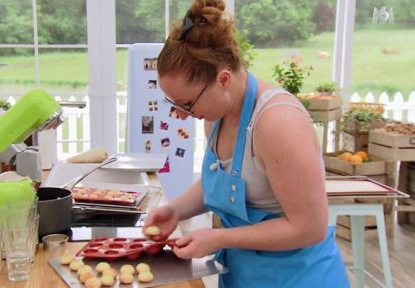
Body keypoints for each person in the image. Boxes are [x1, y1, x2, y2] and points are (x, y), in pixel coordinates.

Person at [144, 1, 349, 287]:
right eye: (173, 103)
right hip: (247, 276)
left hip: (299, 278)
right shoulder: (216, 115)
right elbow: (223, 186)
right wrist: (175, 210)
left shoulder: (278, 124)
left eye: (186, 104)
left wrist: (218, 238)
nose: (179, 115)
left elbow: (309, 228)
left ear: (223, 79)